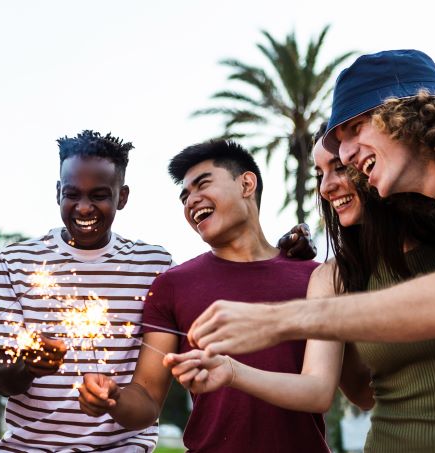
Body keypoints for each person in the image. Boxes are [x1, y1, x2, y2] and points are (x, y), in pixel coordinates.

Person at [186, 50, 435, 451]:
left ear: (405, 114)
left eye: (356, 129)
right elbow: (353, 392)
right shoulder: (336, 274)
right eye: (322, 171)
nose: (342, 164)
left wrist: (283, 319)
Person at [78, 139, 329, 452]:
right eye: (185, 196)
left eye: (203, 184)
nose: (191, 201)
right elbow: (146, 399)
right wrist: (114, 399)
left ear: (247, 183)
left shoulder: (317, 278)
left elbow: (351, 385)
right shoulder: (172, 285)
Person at [0, 130, 173, 452]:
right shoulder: (16, 262)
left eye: (98, 195)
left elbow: (149, 402)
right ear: (57, 193)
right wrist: (28, 364)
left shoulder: (154, 266)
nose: (83, 208)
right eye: (72, 194)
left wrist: (113, 398)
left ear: (121, 197)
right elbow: (2, 380)